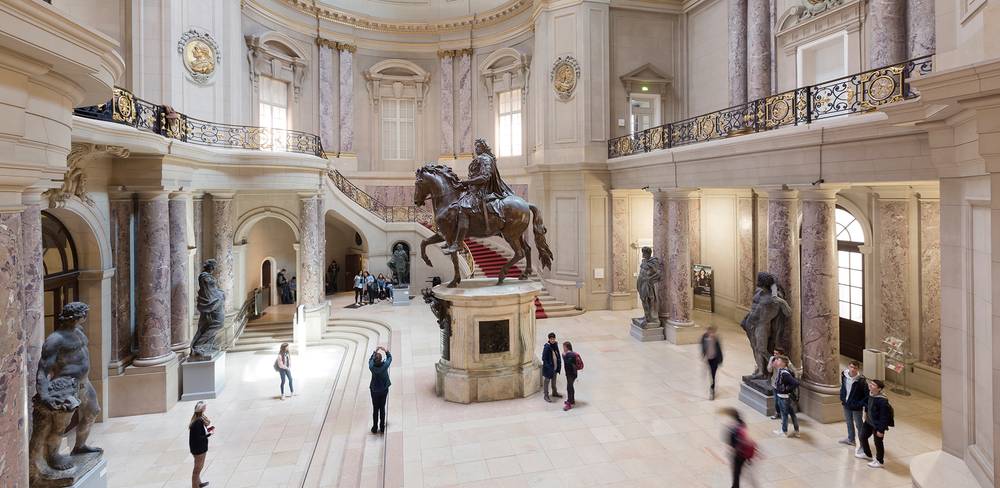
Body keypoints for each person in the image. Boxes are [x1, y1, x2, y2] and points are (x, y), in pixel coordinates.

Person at [441, 138, 513, 254]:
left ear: (484, 148)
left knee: (463, 208)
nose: (476, 149)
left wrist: (467, 183)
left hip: (482, 191)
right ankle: (452, 238)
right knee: (455, 205)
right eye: (475, 147)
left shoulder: (485, 159)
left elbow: (484, 177)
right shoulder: (481, 159)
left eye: (478, 147)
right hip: (474, 189)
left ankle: (458, 244)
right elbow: (474, 178)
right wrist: (465, 185)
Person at [857, 379, 892, 468]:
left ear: (879, 389)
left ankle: (880, 461)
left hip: (877, 425)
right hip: (869, 422)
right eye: (871, 384)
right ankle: (867, 454)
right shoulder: (871, 395)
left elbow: (884, 417)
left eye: (873, 385)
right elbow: (867, 404)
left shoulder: (882, 401)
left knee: (878, 443)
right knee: (862, 436)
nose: (870, 386)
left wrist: (881, 430)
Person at [721, 407, 755, 488]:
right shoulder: (742, 424)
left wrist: (730, 448)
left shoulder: (733, 428)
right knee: (738, 471)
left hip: (738, 454)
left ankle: (735, 486)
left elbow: (730, 441)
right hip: (744, 453)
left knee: (736, 472)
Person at [839, 360, 868, 447]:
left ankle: (863, 444)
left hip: (856, 406)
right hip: (846, 403)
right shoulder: (844, 375)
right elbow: (843, 387)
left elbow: (866, 396)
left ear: (858, 369)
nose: (852, 369)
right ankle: (851, 439)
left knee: (859, 425)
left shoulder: (861, 381)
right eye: (851, 367)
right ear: (848, 367)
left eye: (855, 368)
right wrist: (842, 397)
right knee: (848, 422)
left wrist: (859, 404)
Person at [772, 356, 800, 438]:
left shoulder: (784, 373)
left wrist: (786, 389)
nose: (777, 361)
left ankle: (784, 431)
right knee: (792, 413)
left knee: (784, 415)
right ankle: (796, 431)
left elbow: (795, 383)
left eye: (779, 360)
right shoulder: (781, 370)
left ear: (783, 363)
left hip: (783, 397)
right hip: (784, 396)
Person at [188, 401, 214, 488]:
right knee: (197, 469)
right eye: (204, 407)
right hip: (199, 449)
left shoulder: (199, 419)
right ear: (201, 409)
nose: (205, 408)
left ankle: (199, 483)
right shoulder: (198, 422)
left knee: (199, 467)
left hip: (198, 448)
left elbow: (201, 431)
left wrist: (208, 431)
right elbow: (199, 438)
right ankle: (195, 486)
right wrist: (209, 434)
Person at [766, 347, 796, 419]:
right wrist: (771, 363)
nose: (775, 355)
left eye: (777, 353)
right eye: (774, 353)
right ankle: (777, 413)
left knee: (782, 401)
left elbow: (793, 369)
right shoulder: (772, 359)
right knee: (776, 400)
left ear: (781, 355)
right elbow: (769, 370)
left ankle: (784, 414)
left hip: (783, 385)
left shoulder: (785, 360)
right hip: (774, 382)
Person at [369, 346, 392, 434]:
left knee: (375, 409)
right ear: (381, 359)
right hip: (383, 389)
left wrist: (375, 352)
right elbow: (390, 358)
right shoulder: (385, 365)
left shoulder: (371, 367)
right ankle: (382, 427)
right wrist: (385, 350)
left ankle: (375, 427)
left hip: (374, 390)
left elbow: (370, 359)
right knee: (382, 407)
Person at [701, 325, 724, 400]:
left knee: (712, 375)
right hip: (709, 359)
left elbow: (720, 350)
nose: (711, 334)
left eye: (712, 332)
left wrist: (721, 360)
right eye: (709, 332)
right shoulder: (704, 338)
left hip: (715, 360)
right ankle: (712, 386)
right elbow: (703, 347)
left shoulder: (716, 340)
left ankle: (712, 390)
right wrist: (703, 355)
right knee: (711, 374)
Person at [541, 332, 563, 402]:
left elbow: (558, 354)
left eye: (553, 339)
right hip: (549, 368)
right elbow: (544, 358)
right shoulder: (547, 347)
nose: (553, 340)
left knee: (554, 381)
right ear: (549, 339)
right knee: (547, 381)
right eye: (551, 339)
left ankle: (554, 392)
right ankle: (546, 395)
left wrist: (558, 364)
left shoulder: (555, 345)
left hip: (555, 367)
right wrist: (549, 367)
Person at [562, 341, 579, 411]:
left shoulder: (570, 355)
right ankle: (572, 400)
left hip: (571, 374)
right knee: (571, 387)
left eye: (564, 347)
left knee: (569, 388)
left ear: (567, 347)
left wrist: (564, 356)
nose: (563, 348)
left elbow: (567, 363)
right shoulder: (572, 354)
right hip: (572, 373)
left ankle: (569, 403)